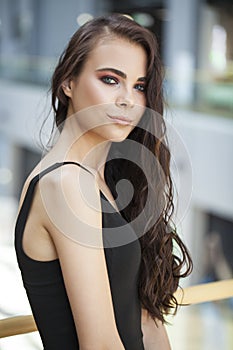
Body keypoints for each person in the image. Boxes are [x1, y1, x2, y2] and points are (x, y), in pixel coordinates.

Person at [14, 14, 192, 349]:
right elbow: (100, 343)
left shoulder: (108, 179)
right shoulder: (64, 184)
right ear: (68, 82)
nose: (128, 99)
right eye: (111, 80)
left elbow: (144, 320)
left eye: (139, 86)